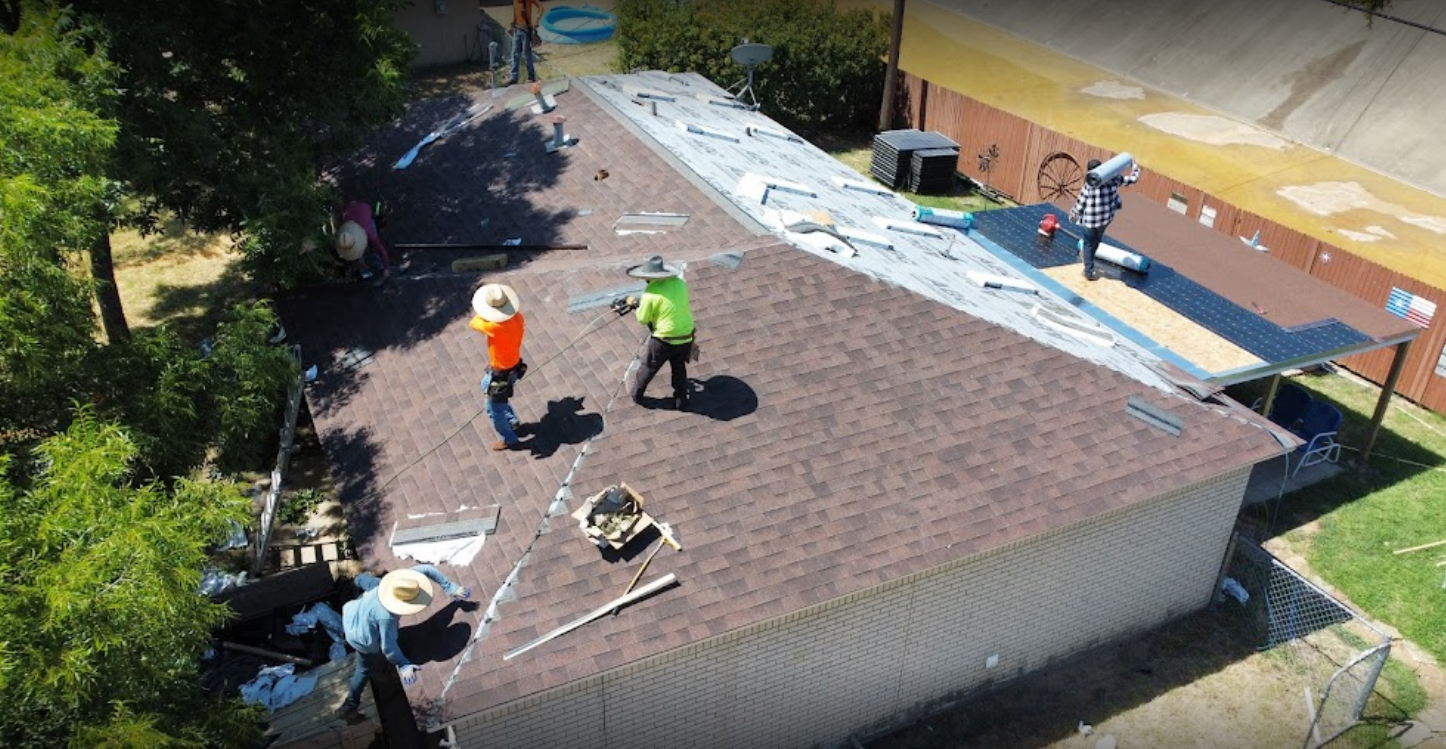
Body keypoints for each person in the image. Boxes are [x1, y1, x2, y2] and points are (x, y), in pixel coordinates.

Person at [337, 565, 470, 723]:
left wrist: (450, 587)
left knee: (373, 584)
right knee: (364, 668)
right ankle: (349, 707)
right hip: (359, 636)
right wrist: (404, 664)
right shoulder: (387, 618)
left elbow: (427, 569)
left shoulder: (399, 584)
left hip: (354, 611)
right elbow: (388, 648)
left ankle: (357, 579)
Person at [626, 255, 694, 410]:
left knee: (649, 366)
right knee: (678, 367)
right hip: (686, 335)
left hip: (665, 339)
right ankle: (681, 399)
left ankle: (637, 394)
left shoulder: (650, 293)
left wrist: (637, 305)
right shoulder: (680, 284)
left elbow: (643, 319)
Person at [469, 283, 528, 451]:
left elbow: (473, 322)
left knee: (492, 408)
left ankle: (509, 438)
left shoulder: (493, 326)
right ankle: (512, 420)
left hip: (500, 373)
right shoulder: (518, 317)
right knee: (485, 387)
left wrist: (487, 314)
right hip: (514, 366)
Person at [1069, 157, 1141, 282]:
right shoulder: (1114, 179)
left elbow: (1080, 204)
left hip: (1090, 222)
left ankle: (1089, 271)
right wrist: (1135, 168)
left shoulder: (1088, 186)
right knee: (1096, 241)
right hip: (1105, 219)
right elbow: (1132, 180)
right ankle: (1089, 263)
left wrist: (1073, 215)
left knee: (1088, 244)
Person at [336, 200, 391, 287]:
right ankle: (365, 272)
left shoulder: (369, 232)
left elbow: (380, 249)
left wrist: (386, 267)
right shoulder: (344, 231)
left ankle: (379, 266)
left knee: (374, 248)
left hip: (366, 219)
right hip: (359, 213)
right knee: (358, 256)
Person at [504, 0, 544, 86]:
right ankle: (514, 77)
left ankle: (531, 77)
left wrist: (536, 20)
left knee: (527, 54)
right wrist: (512, 25)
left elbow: (541, 7)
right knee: (515, 54)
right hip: (517, 29)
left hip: (526, 30)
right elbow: (515, 11)